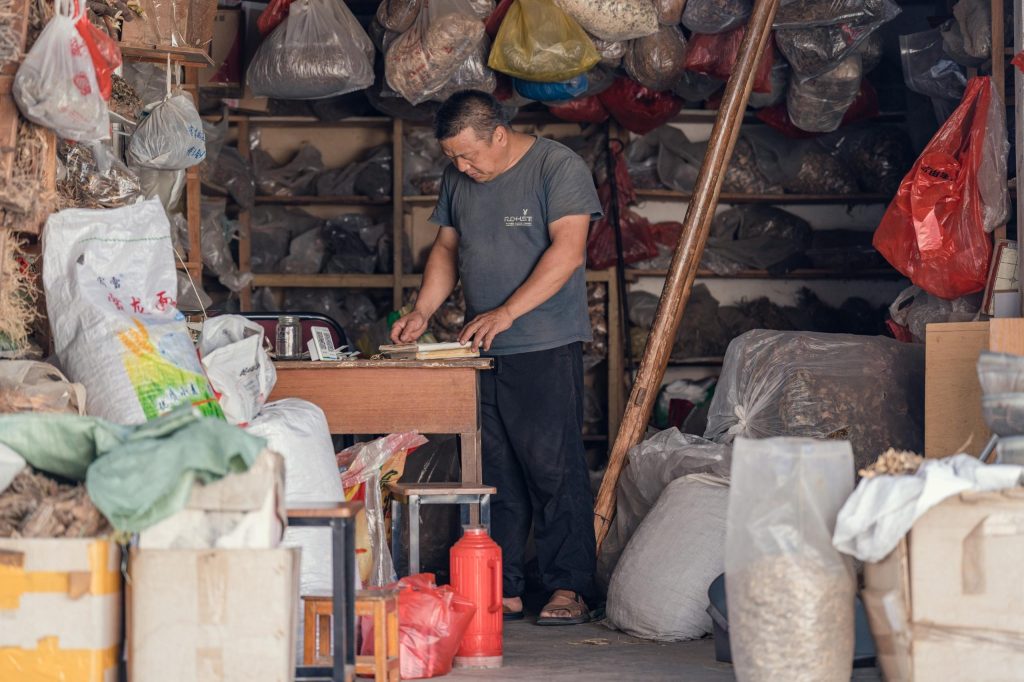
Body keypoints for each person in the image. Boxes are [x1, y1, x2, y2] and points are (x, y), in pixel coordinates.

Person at [390, 91, 602, 625]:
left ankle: (568, 587)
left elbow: (569, 251)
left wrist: (507, 313)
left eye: (469, 156)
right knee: (495, 472)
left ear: (499, 133)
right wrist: (422, 311)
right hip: (480, 351)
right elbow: (445, 250)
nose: (462, 167)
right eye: (453, 158)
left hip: (544, 343)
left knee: (553, 469)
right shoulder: (459, 179)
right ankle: (502, 586)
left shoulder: (557, 166)